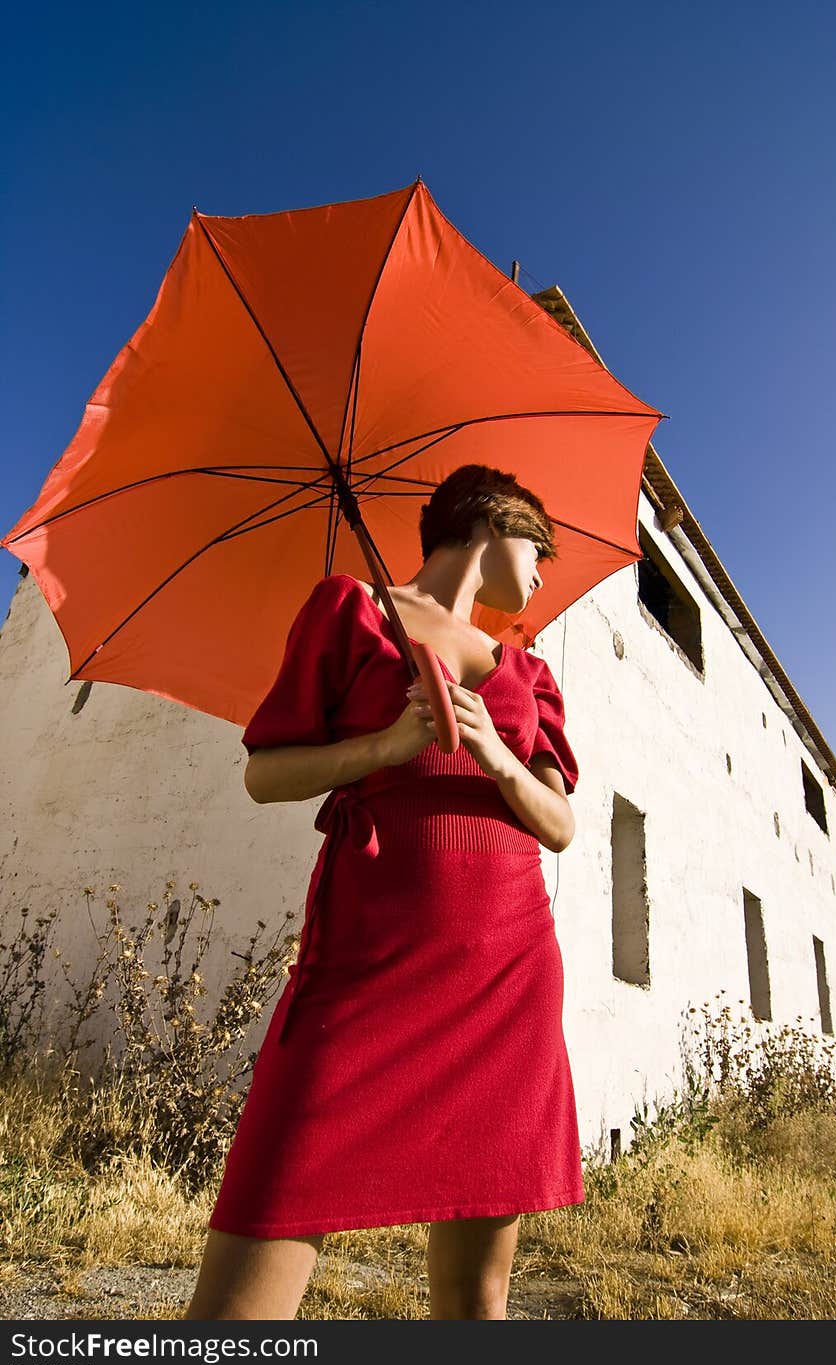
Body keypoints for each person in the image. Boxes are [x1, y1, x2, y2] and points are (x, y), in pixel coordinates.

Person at [185, 464, 582, 1320]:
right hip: (367, 960)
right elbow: (264, 775)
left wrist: (494, 753)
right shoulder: (351, 607)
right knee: (240, 1296)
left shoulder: (530, 673)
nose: (543, 574)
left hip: (507, 974)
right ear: (495, 524)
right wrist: (387, 745)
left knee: (478, 1299)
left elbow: (559, 824)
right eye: (539, 548)